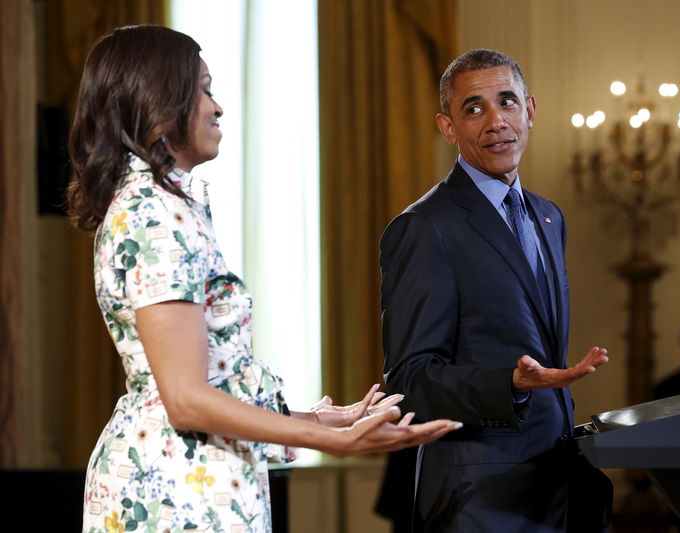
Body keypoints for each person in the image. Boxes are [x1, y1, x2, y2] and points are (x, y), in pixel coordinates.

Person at [67, 25, 461, 533]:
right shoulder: (154, 214)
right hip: (175, 494)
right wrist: (334, 442)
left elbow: (201, 388)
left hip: (191, 482)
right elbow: (185, 400)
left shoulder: (161, 206)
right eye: (204, 89)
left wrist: (313, 421)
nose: (217, 107)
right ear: (158, 103)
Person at [379, 48, 613, 533]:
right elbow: (410, 381)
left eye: (507, 102)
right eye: (473, 108)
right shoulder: (425, 227)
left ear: (529, 110)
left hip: (555, 487)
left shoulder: (548, 216)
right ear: (448, 128)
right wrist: (508, 383)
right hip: (478, 501)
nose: (495, 122)